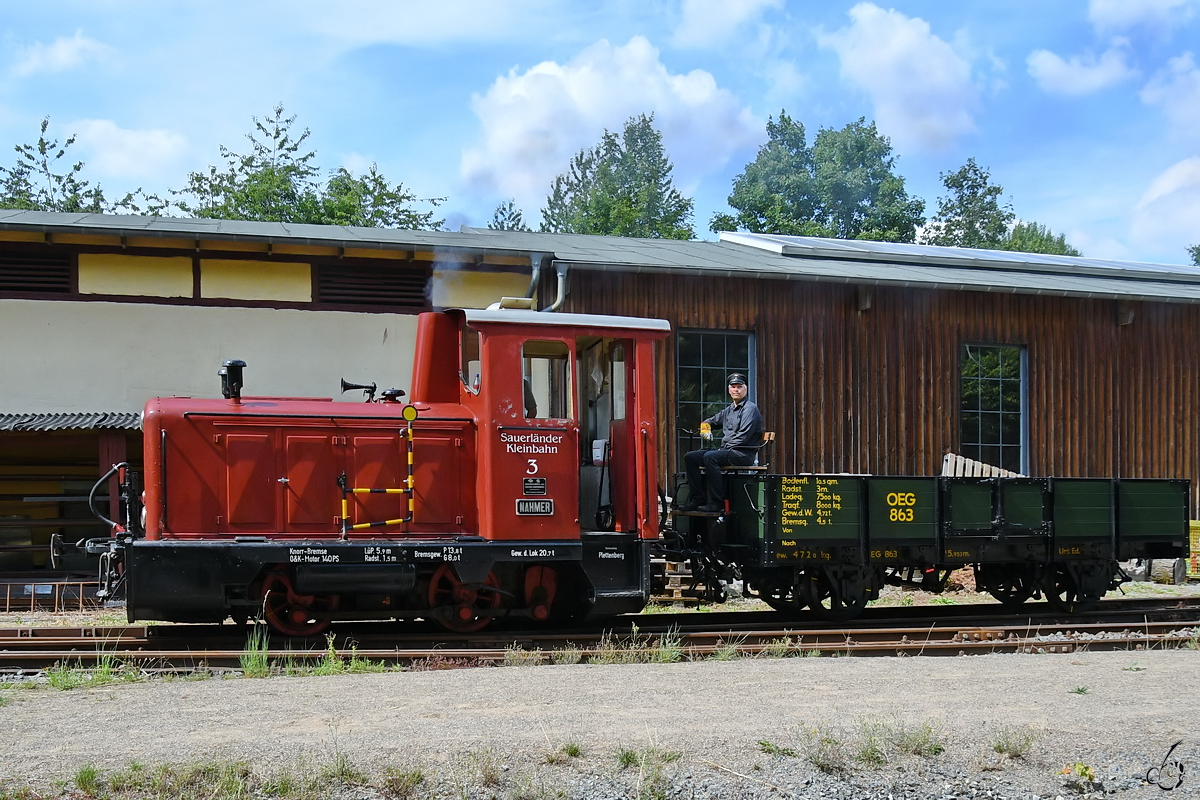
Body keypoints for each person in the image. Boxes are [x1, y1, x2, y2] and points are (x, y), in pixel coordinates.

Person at [680, 373, 763, 513]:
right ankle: (698, 499)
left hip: (742, 453)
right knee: (691, 457)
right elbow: (711, 420)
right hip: (728, 451)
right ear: (729, 389)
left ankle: (717, 502)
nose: (736, 390)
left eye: (739, 387)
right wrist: (705, 427)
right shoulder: (729, 410)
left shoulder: (750, 409)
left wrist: (721, 450)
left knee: (710, 457)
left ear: (746, 389)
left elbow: (742, 438)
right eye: (733, 387)